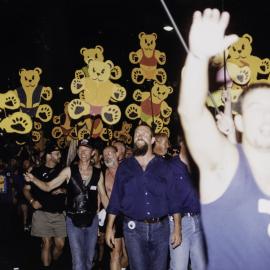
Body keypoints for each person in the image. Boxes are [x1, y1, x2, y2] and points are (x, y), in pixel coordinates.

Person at [179, 8, 270, 269]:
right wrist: (198, 57)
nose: (266, 117)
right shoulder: (226, 165)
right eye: (256, 109)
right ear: (239, 121)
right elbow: (192, 113)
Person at [25, 138, 109, 270]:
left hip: (92, 221)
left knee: (88, 259)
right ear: (77, 151)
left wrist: (112, 218)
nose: (83, 152)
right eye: (81, 149)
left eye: (87, 150)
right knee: (78, 261)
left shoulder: (98, 173)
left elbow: (103, 196)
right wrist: (33, 179)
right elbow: (48, 186)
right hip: (73, 220)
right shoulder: (69, 171)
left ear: (92, 152)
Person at [106, 124, 181, 270]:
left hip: (161, 229)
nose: (139, 135)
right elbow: (115, 198)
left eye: (144, 133)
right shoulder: (125, 167)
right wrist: (109, 227)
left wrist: (177, 228)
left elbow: (174, 199)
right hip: (133, 230)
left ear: (153, 139)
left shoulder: (164, 166)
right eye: (137, 133)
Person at [23, 143, 66, 270]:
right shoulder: (36, 171)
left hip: (59, 213)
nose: (60, 156)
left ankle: (53, 262)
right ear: (48, 156)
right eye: (57, 154)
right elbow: (25, 189)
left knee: (60, 245)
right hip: (42, 213)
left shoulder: (63, 171)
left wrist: (63, 190)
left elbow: (72, 189)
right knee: (46, 243)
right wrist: (31, 201)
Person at [168, 141, 206, 270]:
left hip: (199, 221)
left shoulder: (198, 166)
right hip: (180, 222)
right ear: (181, 143)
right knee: (179, 267)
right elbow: (172, 198)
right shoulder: (172, 166)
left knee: (201, 266)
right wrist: (177, 228)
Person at [103, 145, 128, 270]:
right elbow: (100, 197)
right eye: (105, 154)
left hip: (129, 216)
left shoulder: (127, 171)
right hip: (113, 217)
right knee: (115, 254)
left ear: (117, 155)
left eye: (110, 153)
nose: (107, 156)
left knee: (128, 255)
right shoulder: (102, 174)